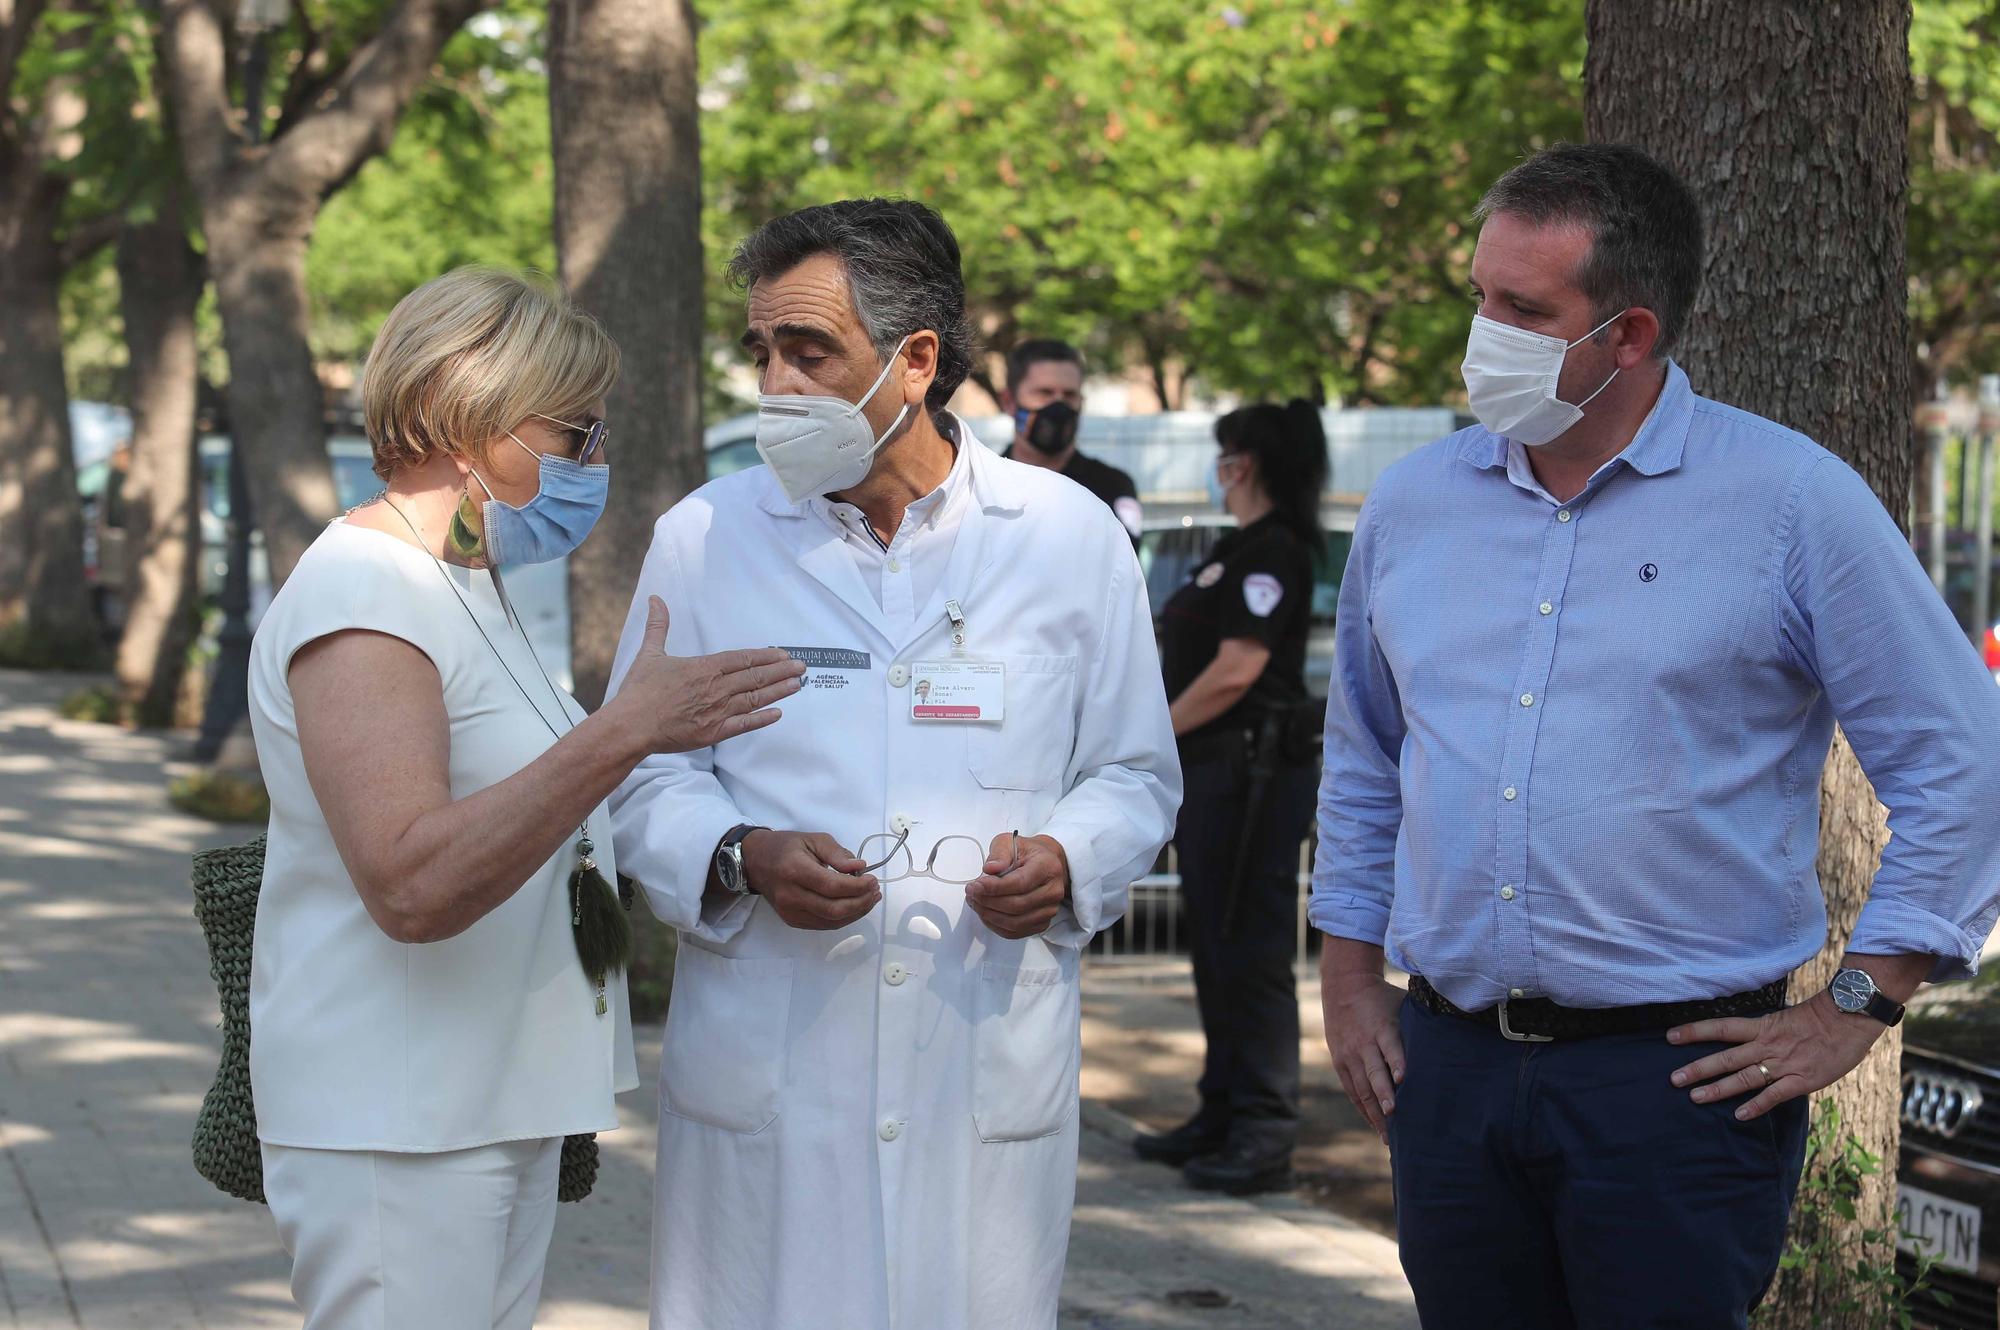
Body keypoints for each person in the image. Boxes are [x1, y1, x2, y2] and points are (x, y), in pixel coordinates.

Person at [1314, 141, 2000, 1328]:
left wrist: (1859, 1003)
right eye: (1476, 294)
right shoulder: (1413, 504)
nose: (1482, 331)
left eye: (1523, 310)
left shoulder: (1789, 504)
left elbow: (1965, 760)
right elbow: (1367, 756)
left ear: (1627, 335)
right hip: (1451, 1071)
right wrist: (1346, 973)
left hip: (1674, 1083)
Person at [606, 199, 1182, 1330]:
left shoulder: (1064, 539)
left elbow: (1133, 774)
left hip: (973, 1049)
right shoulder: (706, 537)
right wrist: (741, 853)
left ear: (915, 360)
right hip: (769, 1057)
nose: (775, 380)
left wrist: (1066, 859)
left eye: (808, 350)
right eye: (761, 349)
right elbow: (640, 773)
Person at [245, 267, 806, 1330]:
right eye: (574, 434)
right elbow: (411, 881)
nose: (592, 462)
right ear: (471, 419)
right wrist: (623, 732)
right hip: (399, 1121)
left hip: (477, 1106)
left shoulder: (458, 581)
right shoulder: (367, 594)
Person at [1133, 400, 1326, 1196]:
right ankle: (1220, 1110)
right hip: (1214, 774)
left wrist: (1150, 733)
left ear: (1242, 462)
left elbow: (1236, 671)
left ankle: (1263, 1131)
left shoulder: (1274, 551)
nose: (1218, 470)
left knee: (1249, 950)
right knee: (1213, 943)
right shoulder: (1235, 549)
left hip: (1252, 776)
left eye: (1223, 456)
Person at [1000, 338, 1143, 540]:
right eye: (1045, 393)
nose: (1058, 405)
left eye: (1069, 395)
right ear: (1009, 402)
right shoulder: (985, 485)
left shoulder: (1112, 486)